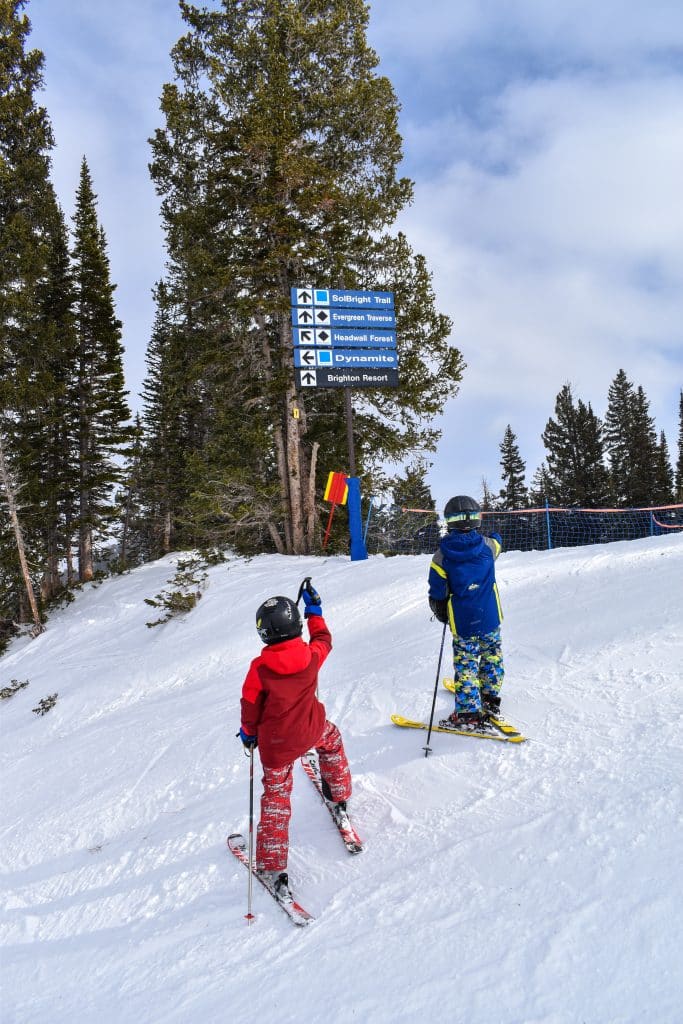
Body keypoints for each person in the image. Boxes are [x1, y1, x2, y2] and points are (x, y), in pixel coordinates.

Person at [238, 580, 352, 897]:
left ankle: (273, 864)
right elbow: (324, 639)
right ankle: (339, 794)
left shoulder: (259, 669)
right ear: (296, 624)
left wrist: (248, 734)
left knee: (276, 800)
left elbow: (250, 706)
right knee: (333, 741)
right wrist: (315, 610)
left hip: (277, 748)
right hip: (312, 730)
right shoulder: (311, 655)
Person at [427, 495, 504, 729]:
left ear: (449, 522)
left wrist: (440, 610)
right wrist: (493, 535)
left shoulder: (441, 556)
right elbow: (498, 542)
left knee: (467, 661)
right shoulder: (488, 547)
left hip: (463, 622)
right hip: (490, 616)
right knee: (492, 655)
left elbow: (437, 591)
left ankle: (469, 712)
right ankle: (490, 697)